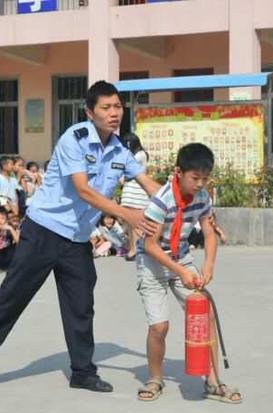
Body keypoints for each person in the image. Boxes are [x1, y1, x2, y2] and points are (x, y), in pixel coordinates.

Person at [0, 80, 159, 393]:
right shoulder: (75, 139)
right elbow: (83, 190)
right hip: (44, 230)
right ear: (90, 112)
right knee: (11, 298)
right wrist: (128, 215)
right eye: (106, 107)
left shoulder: (119, 150)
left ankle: (83, 372)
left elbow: (147, 183)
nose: (114, 113)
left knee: (81, 304)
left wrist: (183, 200)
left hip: (77, 240)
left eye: (118, 107)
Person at [136, 142, 241, 403]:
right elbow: (149, 245)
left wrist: (208, 266)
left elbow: (209, 232)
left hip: (181, 257)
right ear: (178, 172)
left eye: (205, 178)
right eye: (195, 178)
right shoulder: (161, 200)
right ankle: (155, 379)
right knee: (159, 326)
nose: (200, 184)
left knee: (206, 315)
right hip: (153, 263)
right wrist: (180, 271)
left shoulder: (204, 198)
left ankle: (213, 382)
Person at [120, 132, 150, 261]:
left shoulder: (140, 155)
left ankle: (136, 249)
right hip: (130, 190)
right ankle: (132, 248)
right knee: (130, 223)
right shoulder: (133, 155)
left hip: (137, 190)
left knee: (136, 222)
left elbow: (128, 168)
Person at [0, 206, 19, 271]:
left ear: (6, 219)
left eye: (2, 218)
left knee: (14, 247)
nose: (0, 221)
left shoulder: (10, 226)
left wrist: (10, 229)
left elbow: (18, 241)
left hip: (7, 253)